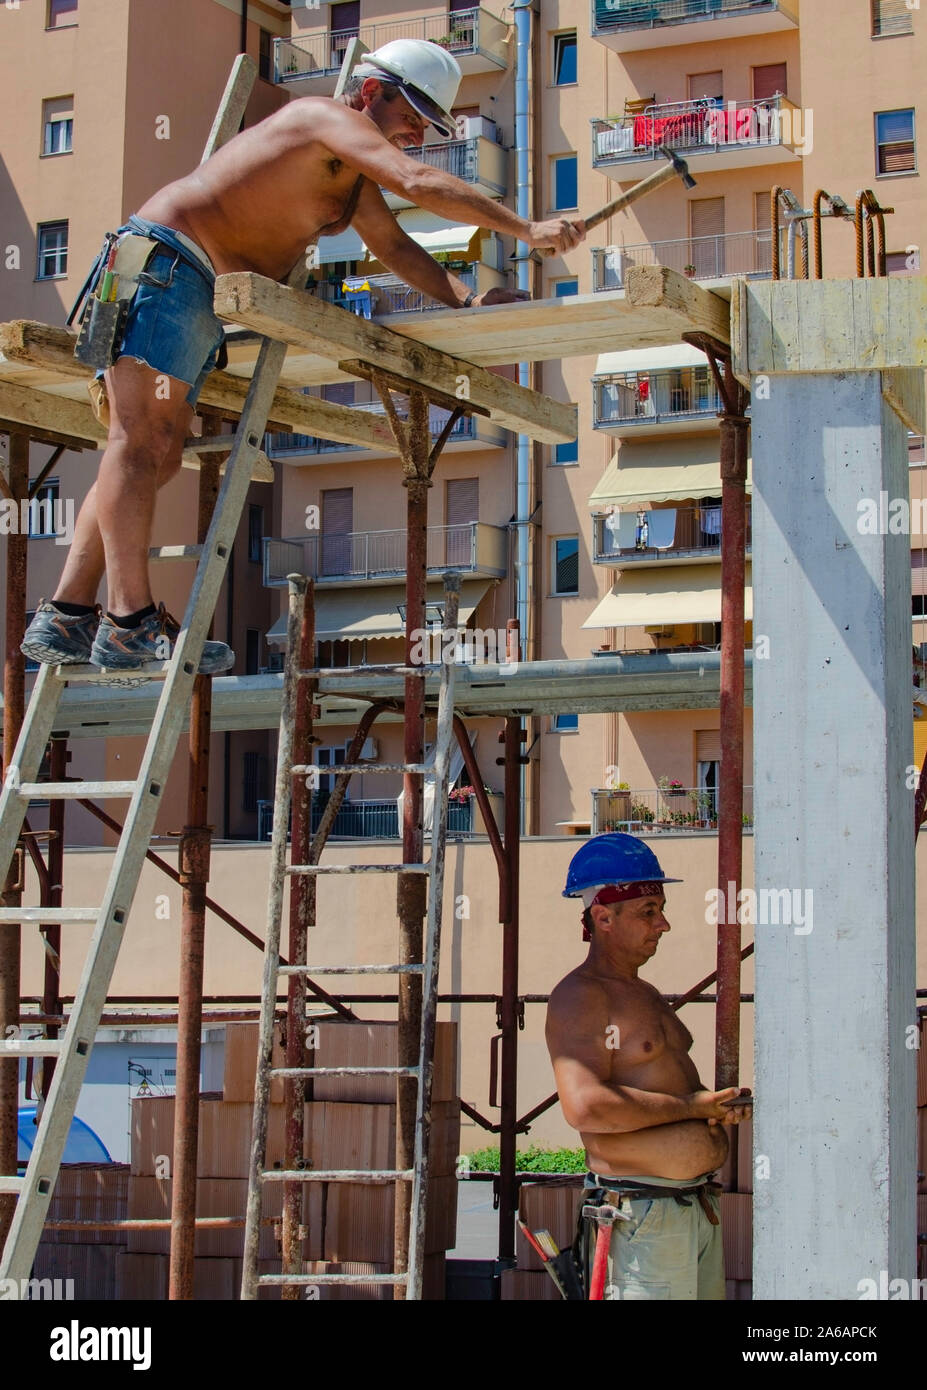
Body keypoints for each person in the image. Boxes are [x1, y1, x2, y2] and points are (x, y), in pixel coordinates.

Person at [22, 39, 585, 673]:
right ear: (371, 92)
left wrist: (470, 299)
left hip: (196, 287)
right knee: (140, 440)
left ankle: (68, 613)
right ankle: (127, 621)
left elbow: (397, 249)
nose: (417, 132)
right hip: (167, 264)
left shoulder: (352, 179)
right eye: (412, 114)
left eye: (428, 124)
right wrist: (525, 228)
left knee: (159, 453)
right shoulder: (323, 118)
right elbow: (419, 182)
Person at [546, 833, 751, 1300]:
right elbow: (585, 1107)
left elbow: (667, 1089)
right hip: (642, 1218)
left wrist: (716, 1109)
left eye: (660, 909)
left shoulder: (643, 993)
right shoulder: (582, 997)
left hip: (686, 1209)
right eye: (648, 911)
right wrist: (692, 1108)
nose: (664, 924)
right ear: (603, 917)